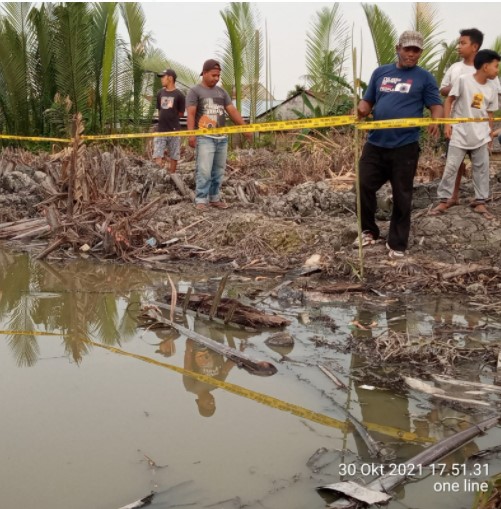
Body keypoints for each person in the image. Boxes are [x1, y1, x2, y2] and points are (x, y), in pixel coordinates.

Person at [354, 31, 443, 259]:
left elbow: (436, 104)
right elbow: (368, 101)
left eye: (416, 50)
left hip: (405, 146)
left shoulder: (425, 77)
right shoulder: (381, 73)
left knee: (402, 194)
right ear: (398, 48)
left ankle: (397, 243)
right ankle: (368, 231)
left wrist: (436, 119)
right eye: (408, 49)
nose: (411, 54)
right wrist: (360, 111)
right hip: (376, 143)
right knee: (363, 184)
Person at [429, 49, 500, 220]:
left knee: (481, 168)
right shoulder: (463, 81)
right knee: (451, 166)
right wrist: (448, 124)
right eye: (496, 66)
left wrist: (489, 133)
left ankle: (480, 201)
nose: (497, 70)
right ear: (485, 67)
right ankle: (444, 200)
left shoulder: (492, 87)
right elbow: (449, 100)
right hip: (460, 133)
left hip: (481, 135)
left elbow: (490, 113)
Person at [186, 59, 252, 210]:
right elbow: (190, 113)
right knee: (204, 170)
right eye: (214, 75)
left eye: (218, 76)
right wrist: (191, 135)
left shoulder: (221, 92)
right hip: (205, 138)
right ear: (205, 73)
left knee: (218, 170)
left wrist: (244, 128)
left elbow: (232, 111)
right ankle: (201, 199)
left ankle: (214, 197)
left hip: (221, 138)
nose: (216, 78)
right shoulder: (195, 91)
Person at [439, 28, 484, 207]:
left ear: (475, 47)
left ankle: (481, 199)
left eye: (463, 43)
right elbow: (442, 90)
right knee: (454, 163)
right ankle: (452, 196)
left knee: (480, 164)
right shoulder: (455, 68)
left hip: (477, 124)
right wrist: (459, 87)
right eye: (459, 43)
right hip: (457, 124)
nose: (459, 46)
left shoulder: (484, 69)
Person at [153, 69, 186, 174]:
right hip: (161, 129)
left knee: (174, 155)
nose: (161, 79)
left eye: (163, 77)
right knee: (158, 154)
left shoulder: (179, 95)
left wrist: (172, 115)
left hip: (174, 129)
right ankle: (158, 176)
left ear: (170, 78)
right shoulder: (160, 93)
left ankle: (172, 176)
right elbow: (159, 110)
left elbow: (181, 113)